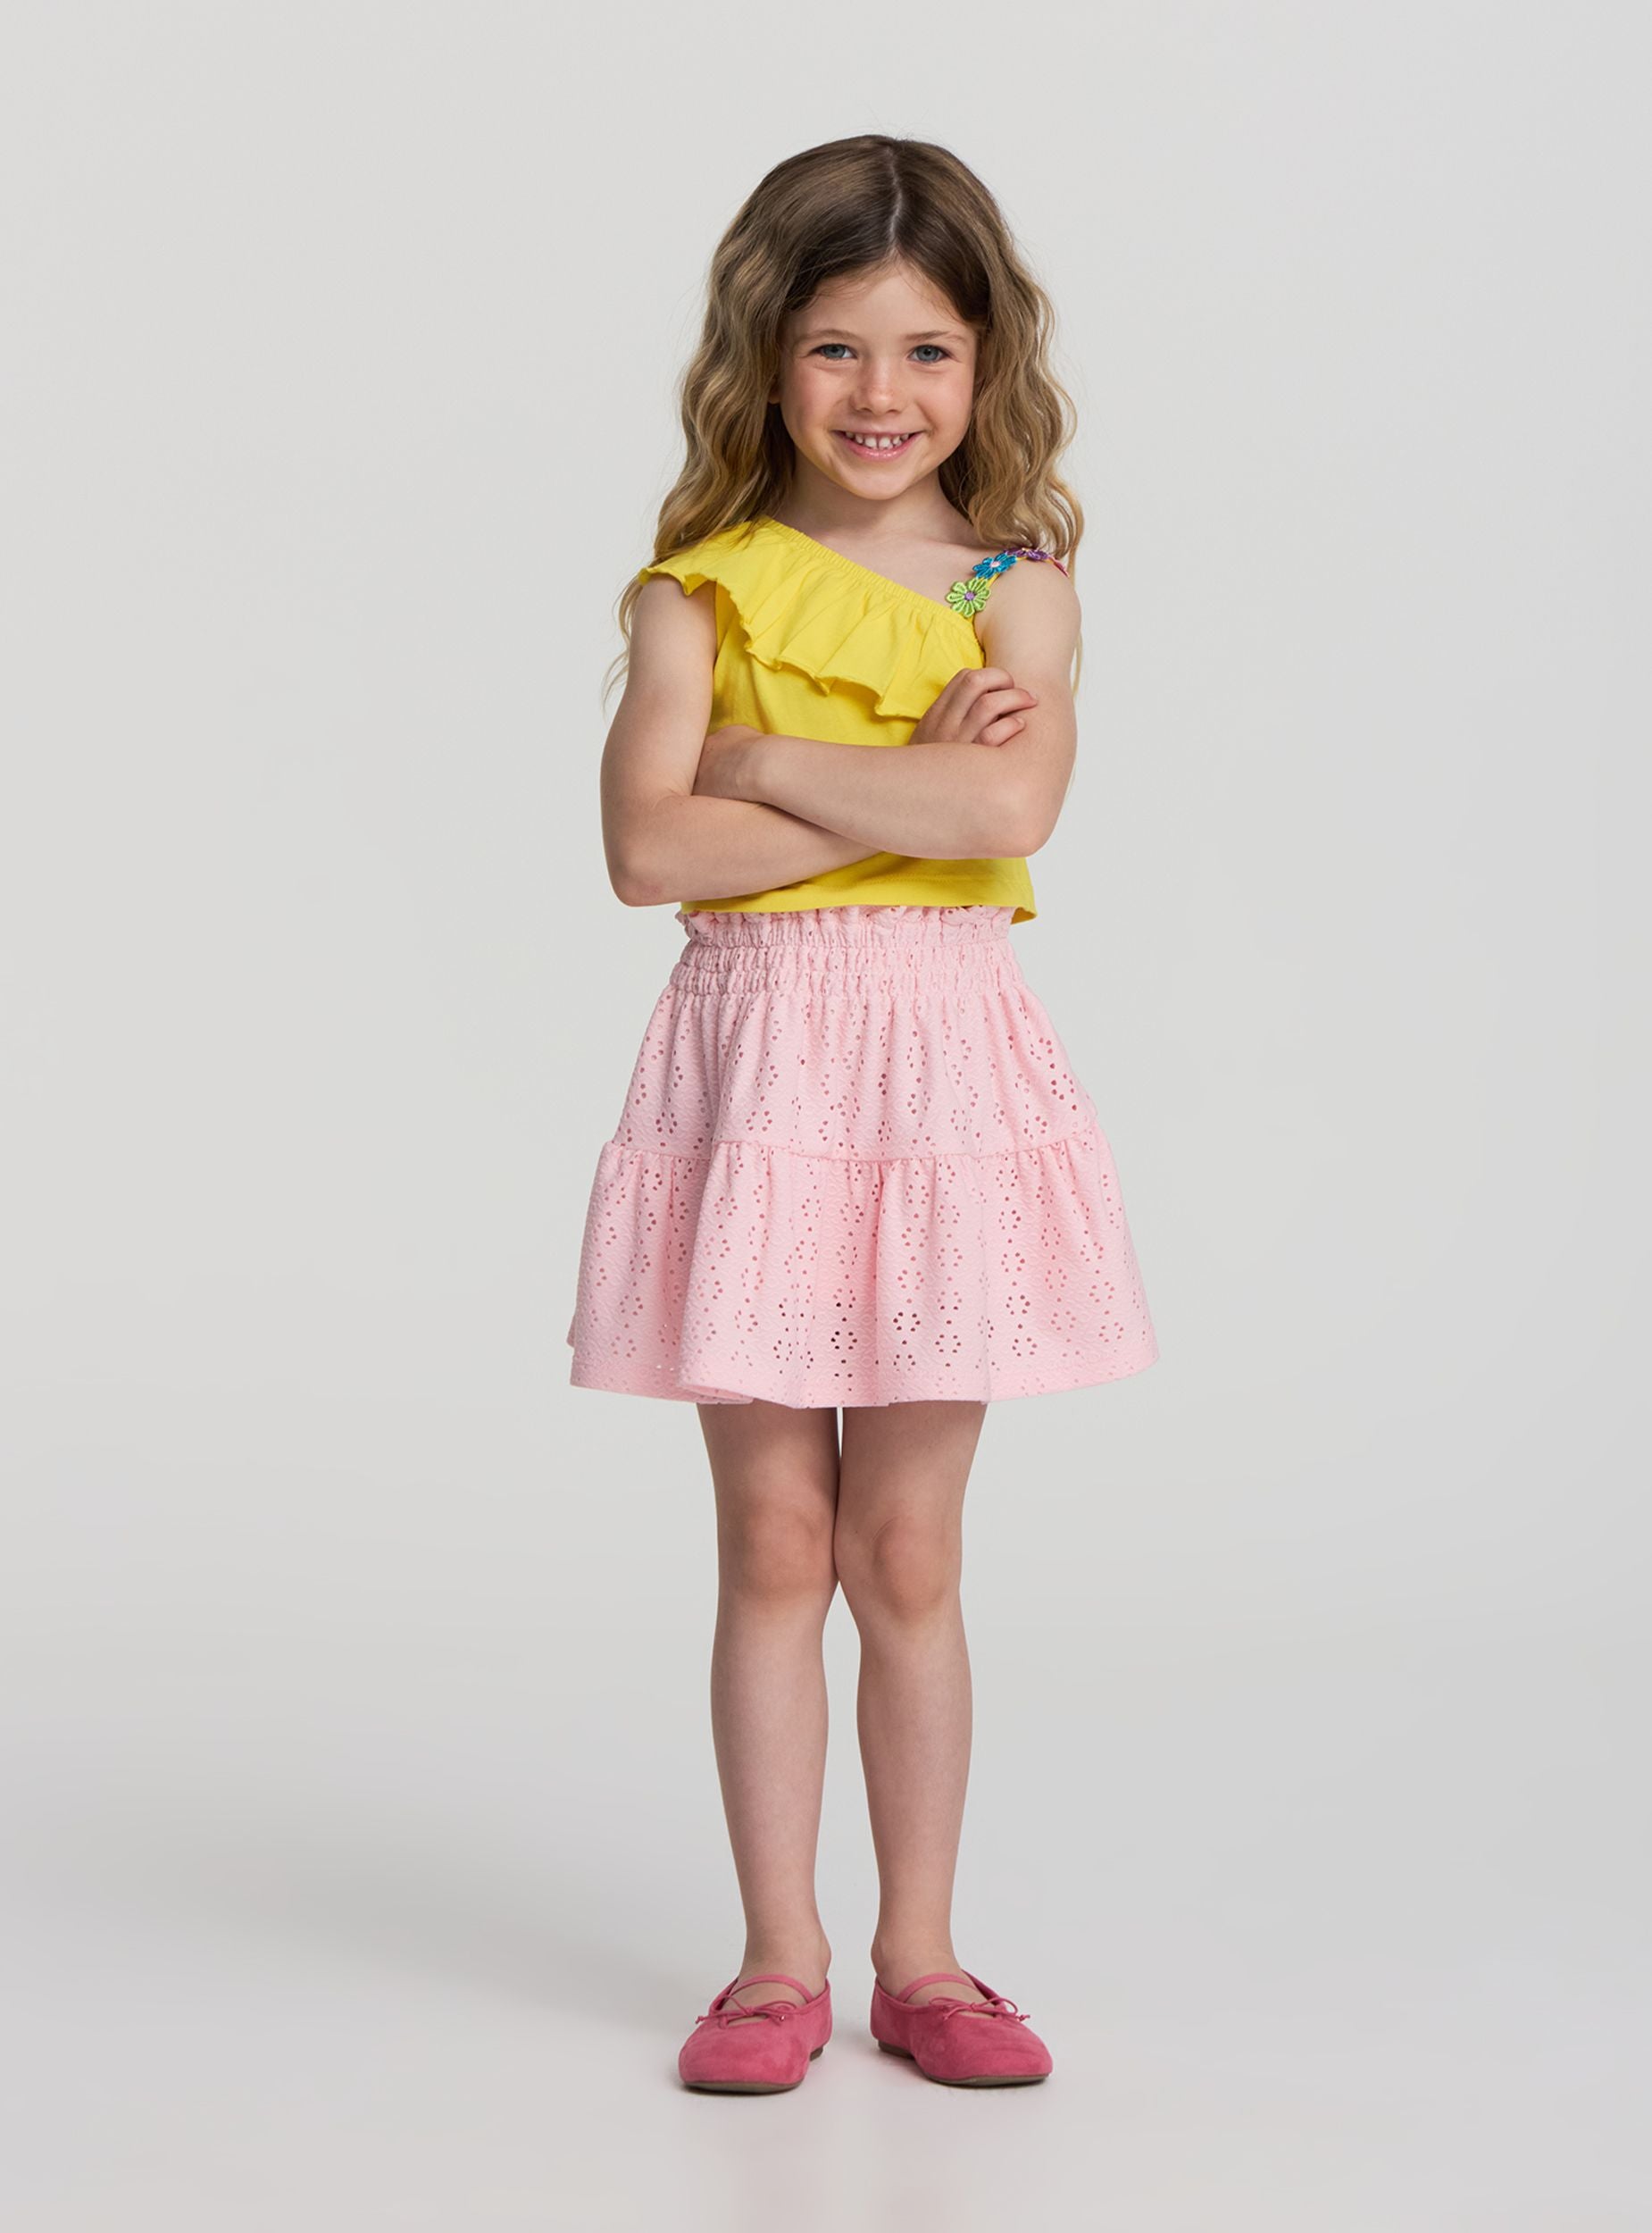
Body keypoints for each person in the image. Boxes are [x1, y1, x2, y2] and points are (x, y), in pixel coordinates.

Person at [566, 134, 1160, 2094]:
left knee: (905, 1549)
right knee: (774, 1540)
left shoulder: (1014, 591)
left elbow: (1005, 807)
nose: (880, 394)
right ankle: (775, 1961)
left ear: (985, 365)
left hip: (938, 1078)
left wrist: (761, 764)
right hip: (760, 1081)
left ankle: (923, 1954)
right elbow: (650, 853)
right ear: (766, 358)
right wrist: (866, 774)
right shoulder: (698, 592)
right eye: (834, 347)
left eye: (924, 349)